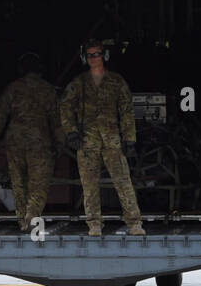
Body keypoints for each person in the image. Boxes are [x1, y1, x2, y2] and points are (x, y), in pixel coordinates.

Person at [60, 39, 145, 236]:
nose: (94, 58)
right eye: (90, 55)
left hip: (112, 141)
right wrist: (71, 132)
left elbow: (126, 110)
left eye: (97, 54)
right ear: (85, 58)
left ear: (104, 55)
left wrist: (129, 138)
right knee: (89, 185)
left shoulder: (116, 81)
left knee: (123, 182)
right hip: (87, 142)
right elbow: (65, 107)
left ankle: (134, 223)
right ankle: (94, 224)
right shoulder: (78, 83)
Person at [0, 52, 61, 232]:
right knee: (38, 184)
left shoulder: (13, 88)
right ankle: (32, 219)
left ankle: (22, 222)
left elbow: (0, 114)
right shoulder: (47, 90)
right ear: (40, 70)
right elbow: (57, 120)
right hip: (39, 143)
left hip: (15, 143)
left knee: (18, 183)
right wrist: (61, 143)